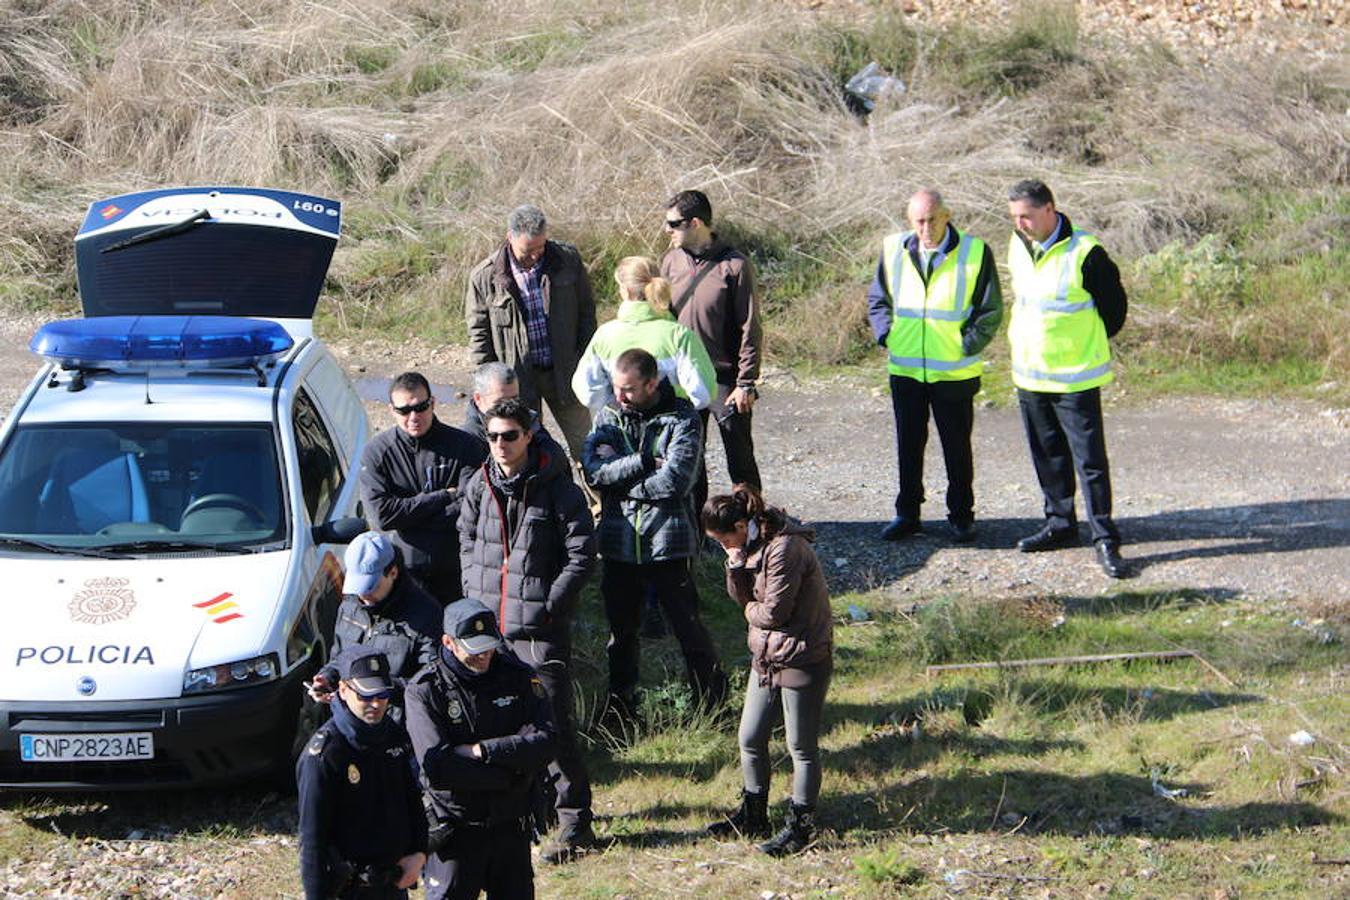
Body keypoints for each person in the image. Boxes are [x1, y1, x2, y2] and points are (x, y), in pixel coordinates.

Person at [457, 397, 598, 863]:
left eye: (509, 435)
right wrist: (471, 595)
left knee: (552, 727)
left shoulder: (560, 490)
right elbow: (467, 540)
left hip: (539, 631)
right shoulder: (479, 484)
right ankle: (524, 812)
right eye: (492, 436)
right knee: (499, 725)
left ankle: (576, 824)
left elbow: (582, 555)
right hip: (488, 631)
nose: (500, 444)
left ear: (529, 435)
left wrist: (550, 606)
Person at [581, 348, 728, 716]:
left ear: (652, 383)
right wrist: (645, 461)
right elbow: (595, 473)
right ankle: (620, 708)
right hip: (618, 546)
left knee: (689, 630)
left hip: (669, 544)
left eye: (628, 389)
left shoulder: (683, 418)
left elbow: (677, 482)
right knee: (622, 635)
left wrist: (621, 483)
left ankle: (712, 703)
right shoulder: (608, 416)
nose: (620, 396)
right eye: (616, 387)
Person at [1006, 179, 1128, 578]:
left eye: (1026, 215)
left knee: (1089, 461)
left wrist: (1084, 346)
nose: (1020, 223)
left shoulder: (1086, 252)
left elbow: (1114, 310)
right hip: (1031, 374)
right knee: (1047, 455)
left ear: (1050, 209)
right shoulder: (1018, 245)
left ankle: (1104, 537)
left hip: (1074, 378)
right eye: (1015, 217)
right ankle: (1060, 523)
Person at [702, 486, 833, 857]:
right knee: (750, 737)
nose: (723, 545)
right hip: (767, 655)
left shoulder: (786, 549)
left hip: (802, 656)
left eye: (725, 539)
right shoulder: (748, 546)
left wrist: (749, 614)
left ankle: (800, 826)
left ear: (743, 525)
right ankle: (753, 814)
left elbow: (772, 612)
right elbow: (741, 596)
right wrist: (734, 563)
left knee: (801, 747)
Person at [866, 189, 1003, 543]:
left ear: (947, 215)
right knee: (908, 447)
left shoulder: (974, 251)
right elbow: (878, 299)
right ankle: (907, 515)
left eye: (932, 220)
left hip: (953, 372)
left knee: (957, 449)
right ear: (910, 221)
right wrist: (887, 336)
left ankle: (961, 517)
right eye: (919, 221)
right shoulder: (894, 249)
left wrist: (965, 345)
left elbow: (990, 310)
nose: (925, 228)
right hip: (906, 371)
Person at [405, 599, 557, 900]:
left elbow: (547, 743)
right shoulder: (425, 691)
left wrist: (482, 751)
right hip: (458, 829)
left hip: (511, 824)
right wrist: (511, 769)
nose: (484, 655)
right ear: (448, 642)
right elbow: (439, 768)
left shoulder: (517, 676)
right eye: (473, 648)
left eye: (488, 645)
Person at [465, 204, 597, 466]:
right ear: (509, 238)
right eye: (528, 251)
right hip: (516, 382)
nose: (536, 256)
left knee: (587, 448)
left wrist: (583, 357)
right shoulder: (484, 277)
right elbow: (479, 336)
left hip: (566, 374)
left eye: (541, 248)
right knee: (524, 452)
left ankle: (598, 506)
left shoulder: (567, 260)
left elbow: (586, 312)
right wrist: (492, 384)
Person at [660, 190, 763, 514]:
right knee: (690, 456)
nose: (667, 230)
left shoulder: (734, 265)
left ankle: (752, 528)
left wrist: (745, 383)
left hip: (725, 380)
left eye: (673, 224)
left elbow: (750, 326)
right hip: (683, 377)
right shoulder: (670, 261)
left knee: (740, 458)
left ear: (695, 223)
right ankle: (697, 535)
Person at [296, 647, 427, 900]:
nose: (376, 704)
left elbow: (412, 798)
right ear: (343, 690)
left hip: (392, 884)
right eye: (366, 696)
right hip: (349, 890)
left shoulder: (394, 735)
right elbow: (312, 842)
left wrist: (419, 852)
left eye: (382, 695)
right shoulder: (326, 754)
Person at [359, 372, 486, 605]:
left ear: (433, 403)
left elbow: (471, 507)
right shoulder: (377, 453)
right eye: (404, 411)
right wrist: (441, 497)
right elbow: (382, 517)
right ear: (391, 410)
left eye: (421, 407)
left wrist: (410, 518)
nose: (414, 416)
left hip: (459, 570)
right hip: (407, 575)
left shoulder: (464, 445)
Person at [306, 532, 441, 718]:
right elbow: (339, 658)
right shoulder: (349, 605)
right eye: (358, 587)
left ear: (393, 572)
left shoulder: (426, 615)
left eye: (371, 586)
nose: (363, 595)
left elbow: (430, 682)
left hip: (398, 722)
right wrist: (327, 678)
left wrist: (376, 690)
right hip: (351, 717)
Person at [571, 255, 717, 414]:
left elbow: (587, 393)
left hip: (622, 427)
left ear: (625, 291)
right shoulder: (679, 336)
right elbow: (704, 393)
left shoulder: (604, 335)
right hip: (670, 424)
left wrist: (616, 402)